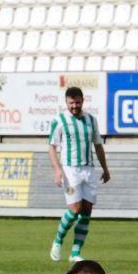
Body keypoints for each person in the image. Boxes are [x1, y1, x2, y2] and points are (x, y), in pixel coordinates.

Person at [47, 86, 110, 263]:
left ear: (83, 100)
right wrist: (57, 169)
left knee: (87, 211)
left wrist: (105, 168)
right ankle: (58, 241)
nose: (75, 105)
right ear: (66, 102)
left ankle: (75, 253)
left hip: (88, 169)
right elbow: (51, 147)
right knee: (75, 209)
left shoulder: (90, 119)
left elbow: (98, 145)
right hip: (70, 169)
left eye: (77, 102)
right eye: (71, 102)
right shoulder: (59, 120)